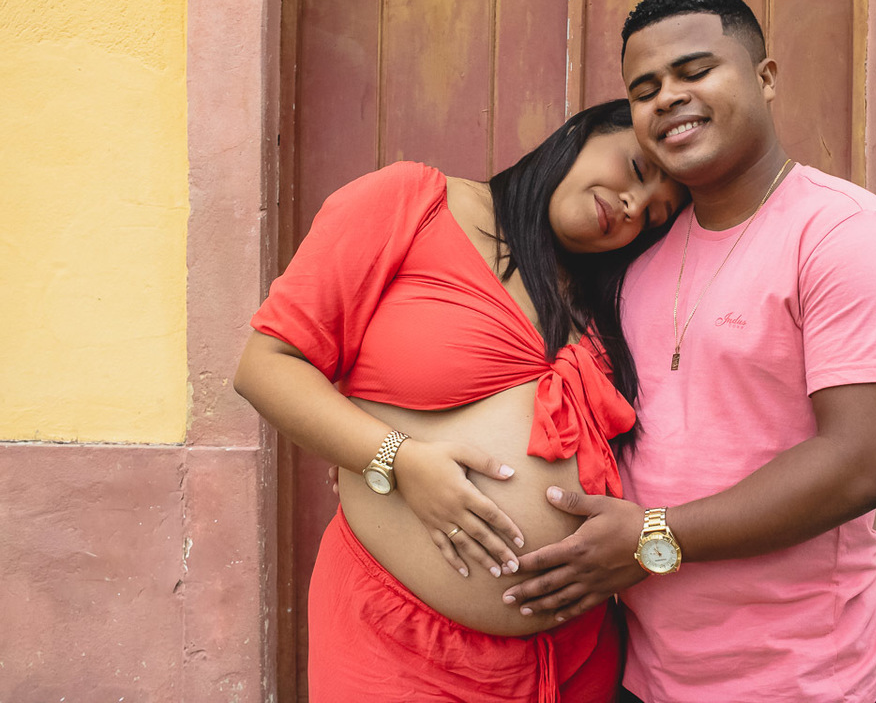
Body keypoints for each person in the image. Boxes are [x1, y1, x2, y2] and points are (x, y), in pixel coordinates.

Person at [500, 0, 876, 703]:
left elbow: (861, 465)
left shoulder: (845, 234)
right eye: (644, 89)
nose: (667, 97)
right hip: (645, 672)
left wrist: (651, 536)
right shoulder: (637, 255)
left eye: (695, 72)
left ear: (765, 77)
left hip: (800, 680)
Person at [234, 99, 687, 702]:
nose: (634, 205)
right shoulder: (412, 202)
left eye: (654, 215)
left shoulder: (610, 297)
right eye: (635, 168)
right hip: (401, 647)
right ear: (580, 133)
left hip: (576, 661)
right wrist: (400, 459)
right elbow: (265, 367)